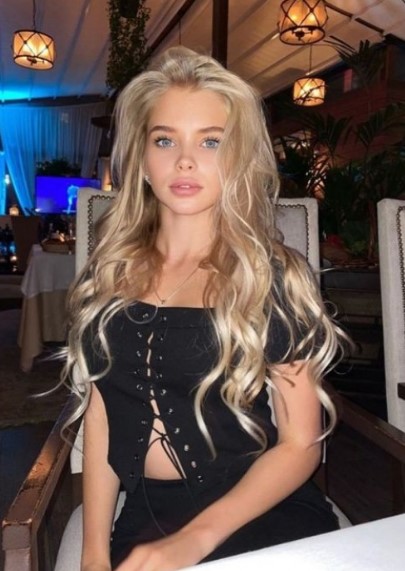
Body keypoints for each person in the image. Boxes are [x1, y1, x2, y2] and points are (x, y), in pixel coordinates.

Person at [63, 47, 346, 571]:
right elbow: (103, 413)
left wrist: (194, 541)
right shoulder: (108, 274)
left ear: (238, 158)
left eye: (211, 141)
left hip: (259, 508)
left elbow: (301, 444)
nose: (185, 160)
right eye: (164, 139)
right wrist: (93, 554)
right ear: (141, 160)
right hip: (147, 514)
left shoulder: (270, 277)